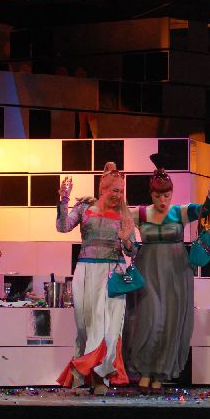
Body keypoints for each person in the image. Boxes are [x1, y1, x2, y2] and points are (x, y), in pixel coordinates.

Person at [124, 165, 210, 392]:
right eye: (158, 196)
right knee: (150, 320)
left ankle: (160, 372)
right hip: (148, 271)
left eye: (167, 195)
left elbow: (204, 210)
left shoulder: (179, 212)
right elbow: (123, 231)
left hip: (176, 272)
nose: (162, 200)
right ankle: (145, 369)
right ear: (151, 194)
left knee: (170, 322)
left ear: (172, 193)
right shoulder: (139, 213)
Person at [55, 162, 136, 394]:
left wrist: (126, 240)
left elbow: (133, 251)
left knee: (108, 327)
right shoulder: (84, 208)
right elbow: (62, 227)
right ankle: (86, 371)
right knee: (85, 326)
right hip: (86, 271)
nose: (118, 195)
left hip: (114, 274)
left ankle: (102, 378)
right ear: (103, 189)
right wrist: (63, 200)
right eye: (114, 190)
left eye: (121, 191)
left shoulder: (124, 215)